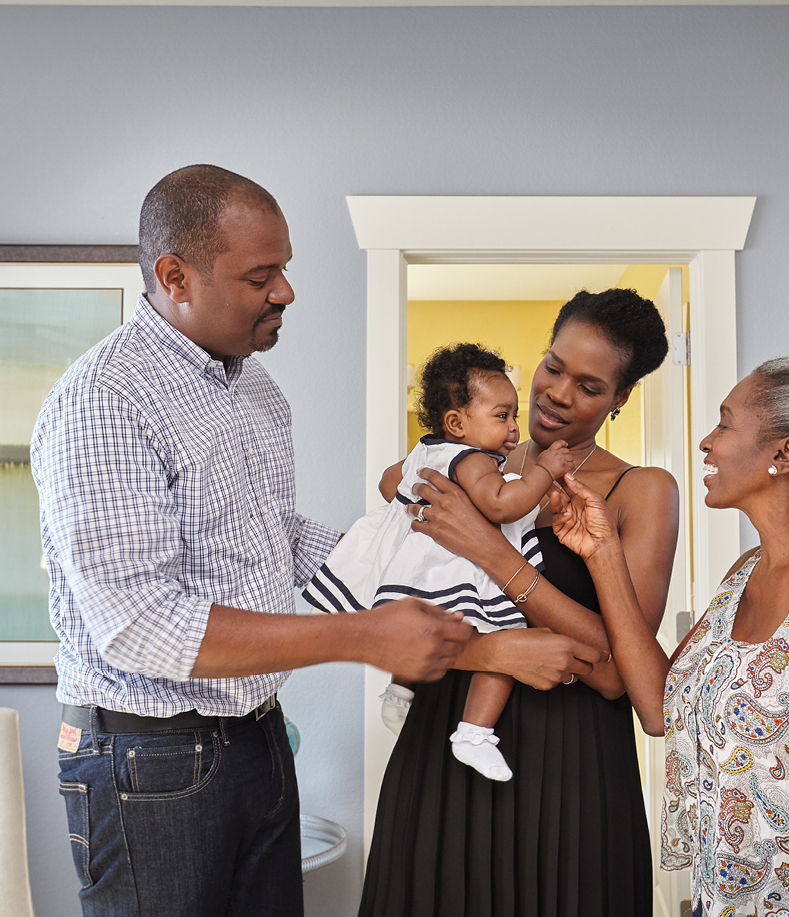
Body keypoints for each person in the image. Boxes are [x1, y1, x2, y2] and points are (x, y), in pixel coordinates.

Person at [30, 164, 479, 917]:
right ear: (176, 276)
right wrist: (364, 635)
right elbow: (139, 622)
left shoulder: (255, 389)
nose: (286, 292)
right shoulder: (106, 398)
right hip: (151, 760)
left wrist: (422, 561)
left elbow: (275, 534)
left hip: (260, 737)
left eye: (285, 270)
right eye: (260, 275)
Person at [548, 356, 789, 917]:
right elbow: (661, 708)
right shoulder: (744, 572)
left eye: (726, 423)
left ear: (785, 453)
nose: (707, 442)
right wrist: (603, 554)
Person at [359, 288, 679, 917]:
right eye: (554, 366)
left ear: (620, 399)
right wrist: (493, 650)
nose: (557, 393)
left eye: (589, 386)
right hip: (445, 746)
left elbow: (620, 674)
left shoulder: (639, 490)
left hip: (572, 772)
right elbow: (391, 607)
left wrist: (493, 553)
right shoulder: (461, 465)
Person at [304, 343, 574, 781]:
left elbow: (389, 482)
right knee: (505, 635)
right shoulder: (472, 461)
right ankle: (475, 731)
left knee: (424, 626)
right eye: (502, 416)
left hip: (419, 569)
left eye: (513, 415)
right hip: (459, 569)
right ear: (457, 423)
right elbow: (502, 505)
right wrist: (544, 471)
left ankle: (399, 691)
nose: (513, 426)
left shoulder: (427, 452)